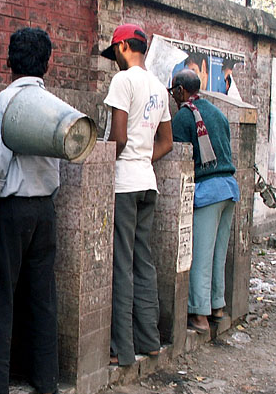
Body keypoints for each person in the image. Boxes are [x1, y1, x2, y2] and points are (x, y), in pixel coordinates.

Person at [0, 27, 60, 394]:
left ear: (9, 60)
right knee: (42, 296)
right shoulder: (53, 104)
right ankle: (47, 381)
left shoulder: (6, 100)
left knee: (1, 298)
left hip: (11, 209)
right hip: (45, 208)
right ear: (48, 63)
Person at [101, 23, 173, 366]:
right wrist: (144, 159)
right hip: (147, 182)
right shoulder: (159, 86)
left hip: (124, 184)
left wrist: (104, 166)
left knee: (122, 264)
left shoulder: (123, 80)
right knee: (143, 263)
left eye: (115, 51)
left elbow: (118, 138)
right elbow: (167, 142)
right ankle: (150, 341)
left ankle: (121, 349)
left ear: (125, 47)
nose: (114, 58)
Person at [169, 69, 240, 334]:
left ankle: (199, 315)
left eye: (173, 92)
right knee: (218, 254)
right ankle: (217, 309)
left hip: (207, 192)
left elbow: (177, 158)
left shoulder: (184, 116)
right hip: (229, 189)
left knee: (200, 254)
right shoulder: (218, 113)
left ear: (179, 90)